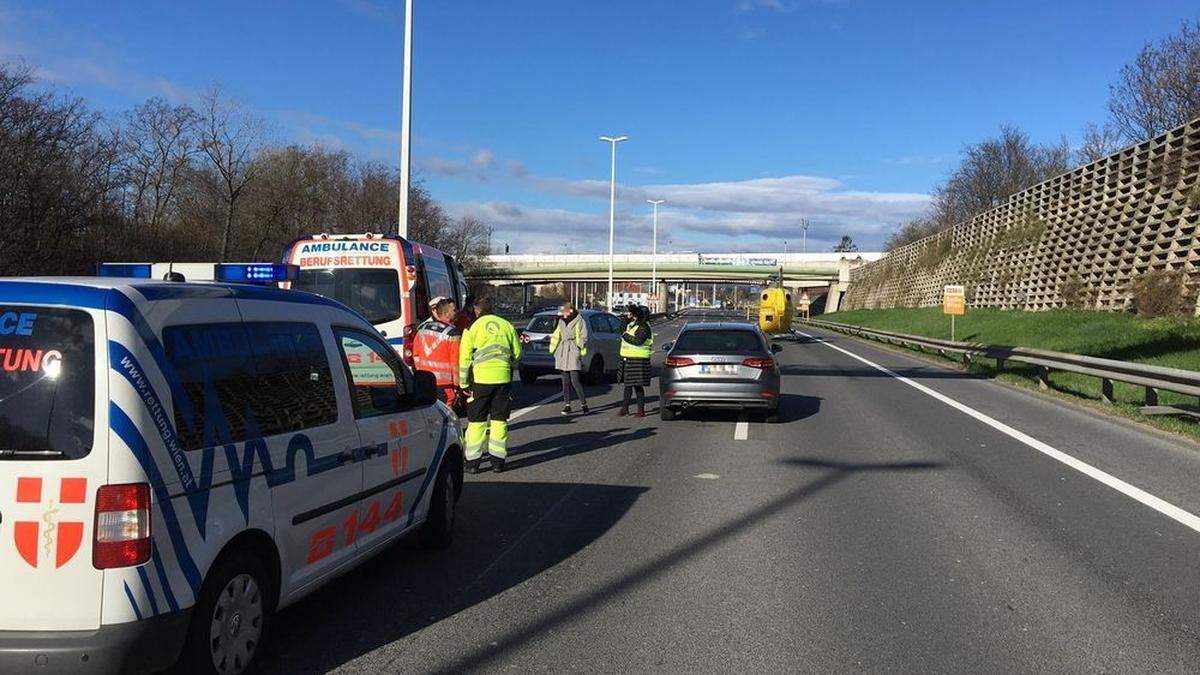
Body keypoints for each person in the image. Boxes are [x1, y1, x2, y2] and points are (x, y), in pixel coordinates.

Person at [459, 296, 522, 473]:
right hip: (502, 379)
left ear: (477, 310)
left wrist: (463, 383)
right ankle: (498, 462)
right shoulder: (506, 325)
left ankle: (472, 463)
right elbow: (517, 353)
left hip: (480, 381)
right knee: (499, 421)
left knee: (476, 422)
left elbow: (464, 360)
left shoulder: (471, 328)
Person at [412, 297, 464, 414]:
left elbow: (416, 355)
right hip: (445, 385)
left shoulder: (422, 329)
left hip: (425, 382)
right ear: (446, 314)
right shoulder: (453, 333)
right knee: (445, 417)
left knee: (428, 414)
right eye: (454, 310)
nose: (456, 312)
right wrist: (458, 386)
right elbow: (456, 363)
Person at [550, 301, 590, 415]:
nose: (563, 312)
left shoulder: (579, 320)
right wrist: (553, 350)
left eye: (565, 310)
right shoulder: (561, 321)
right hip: (562, 351)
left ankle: (584, 404)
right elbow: (556, 335)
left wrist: (578, 346)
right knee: (565, 381)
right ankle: (567, 405)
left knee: (575, 380)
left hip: (573, 349)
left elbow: (584, 335)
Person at [618, 305, 653, 417]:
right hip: (630, 358)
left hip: (639, 360)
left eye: (633, 314)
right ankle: (625, 408)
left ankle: (640, 410)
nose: (631, 316)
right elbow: (623, 330)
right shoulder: (634, 325)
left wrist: (624, 334)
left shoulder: (644, 327)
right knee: (628, 385)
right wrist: (625, 322)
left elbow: (638, 341)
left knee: (638, 386)